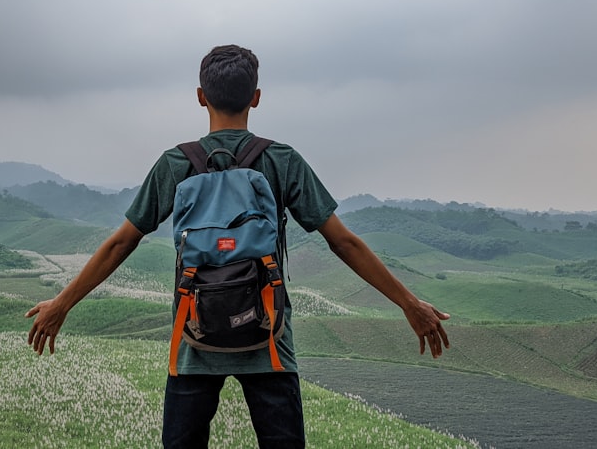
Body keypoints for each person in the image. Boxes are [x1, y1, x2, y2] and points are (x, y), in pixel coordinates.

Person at [26, 44, 450, 448]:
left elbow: (121, 243)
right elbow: (344, 242)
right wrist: (408, 304)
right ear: (257, 97)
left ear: (199, 96)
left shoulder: (177, 163)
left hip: (193, 339)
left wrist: (62, 304)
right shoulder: (281, 160)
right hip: (269, 339)